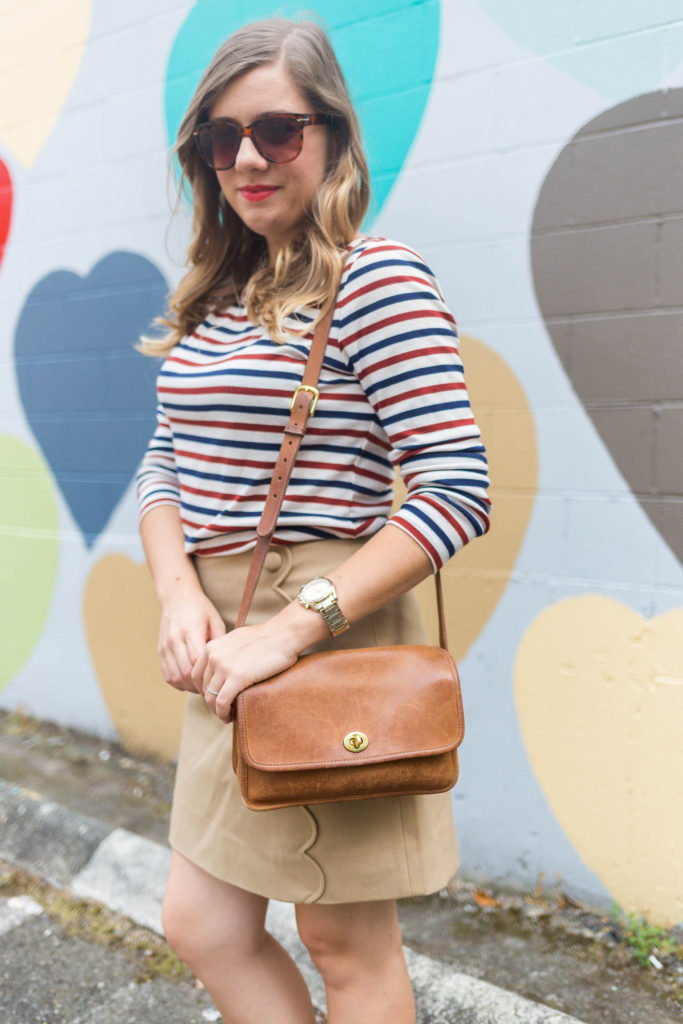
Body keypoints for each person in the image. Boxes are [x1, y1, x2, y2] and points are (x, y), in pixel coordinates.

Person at [136, 17, 490, 1024]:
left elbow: (455, 485)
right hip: (221, 649)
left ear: (331, 135)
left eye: (278, 131)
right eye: (221, 136)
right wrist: (175, 596)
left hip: (318, 633)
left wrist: (289, 630)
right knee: (201, 922)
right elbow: (162, 465)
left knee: (343, 940)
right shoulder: (215, 291)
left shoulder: (371, 277)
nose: (247, 157)